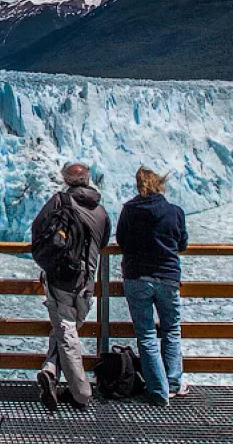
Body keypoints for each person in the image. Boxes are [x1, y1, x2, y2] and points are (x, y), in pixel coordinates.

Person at [32, 163, 111, 412]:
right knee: (67, 327)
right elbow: (105, 240)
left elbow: (38, 230)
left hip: (60, 277)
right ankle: (52, 371)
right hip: (87, 281)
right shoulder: (100, 211)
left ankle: (80, 393)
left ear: (66, 180)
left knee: (66, 331)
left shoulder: (59, 201)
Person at [116, 167, 189, 406]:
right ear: (160, 185)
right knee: (171, 330)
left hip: (137, 277)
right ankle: (174, 383)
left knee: (146, 334)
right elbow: (182, 243)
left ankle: (159, 390)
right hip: (168, 277)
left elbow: (121, 241)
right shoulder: (174, 212)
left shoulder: (129, 210)